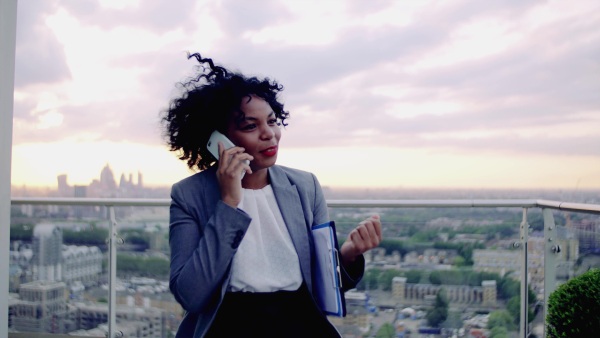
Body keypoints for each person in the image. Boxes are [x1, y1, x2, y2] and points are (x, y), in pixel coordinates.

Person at [161, 52, 383, 338]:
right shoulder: (189, 195)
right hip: (228, 325)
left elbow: (322, 283)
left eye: (272, 121)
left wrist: (348, 255)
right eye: (250, 126)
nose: (270, 135)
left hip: (299, 321)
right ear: (219, 141)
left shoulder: (305, 186)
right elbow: (190, 295)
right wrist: (229, 202)